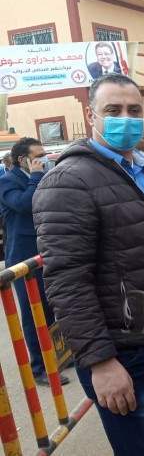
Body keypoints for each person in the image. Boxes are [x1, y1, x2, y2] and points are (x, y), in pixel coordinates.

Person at [32, 74, 144, 455]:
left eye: (134, 110)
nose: (126, 118)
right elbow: (67, 282)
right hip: (123, 353)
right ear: (92, 116)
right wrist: (100, 361)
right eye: (113, 110)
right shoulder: (68, 182)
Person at [0, 138, 69, 387]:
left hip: (46, 251)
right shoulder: (7, 181)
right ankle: (40, 367)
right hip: (23, 258)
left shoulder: (40, 177)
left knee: (53, 305)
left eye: (44, 155)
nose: (43, 159)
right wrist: (37, 176)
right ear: (23, 160)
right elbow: (24, 204)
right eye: (38, 156)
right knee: (33, 312)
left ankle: (59, 354)